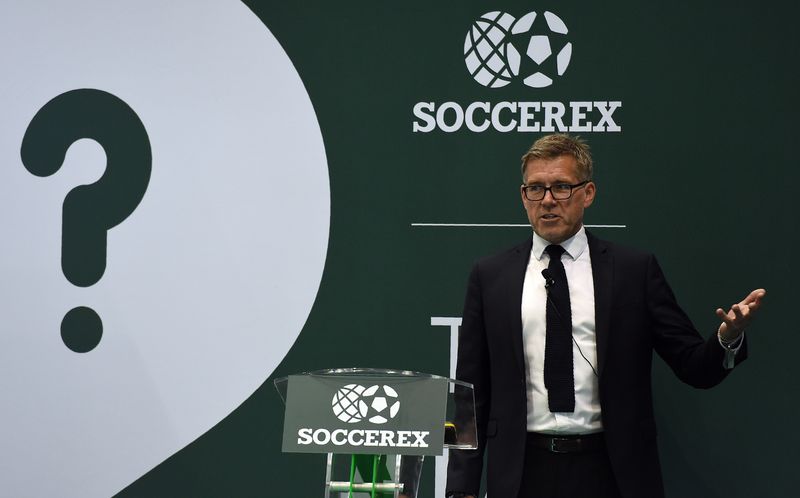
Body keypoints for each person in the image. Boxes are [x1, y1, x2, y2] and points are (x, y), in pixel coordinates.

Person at [444, 134, 765, 498]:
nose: (548, 200)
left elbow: (694, 366)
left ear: (588, 193)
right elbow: (470, 396)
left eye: (562, 187)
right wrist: (461, 487)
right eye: (536, 188)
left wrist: (727, 337)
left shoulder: (634, 272)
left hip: (612, 472)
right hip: (521, 473)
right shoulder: (491, 276)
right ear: (523, 197)